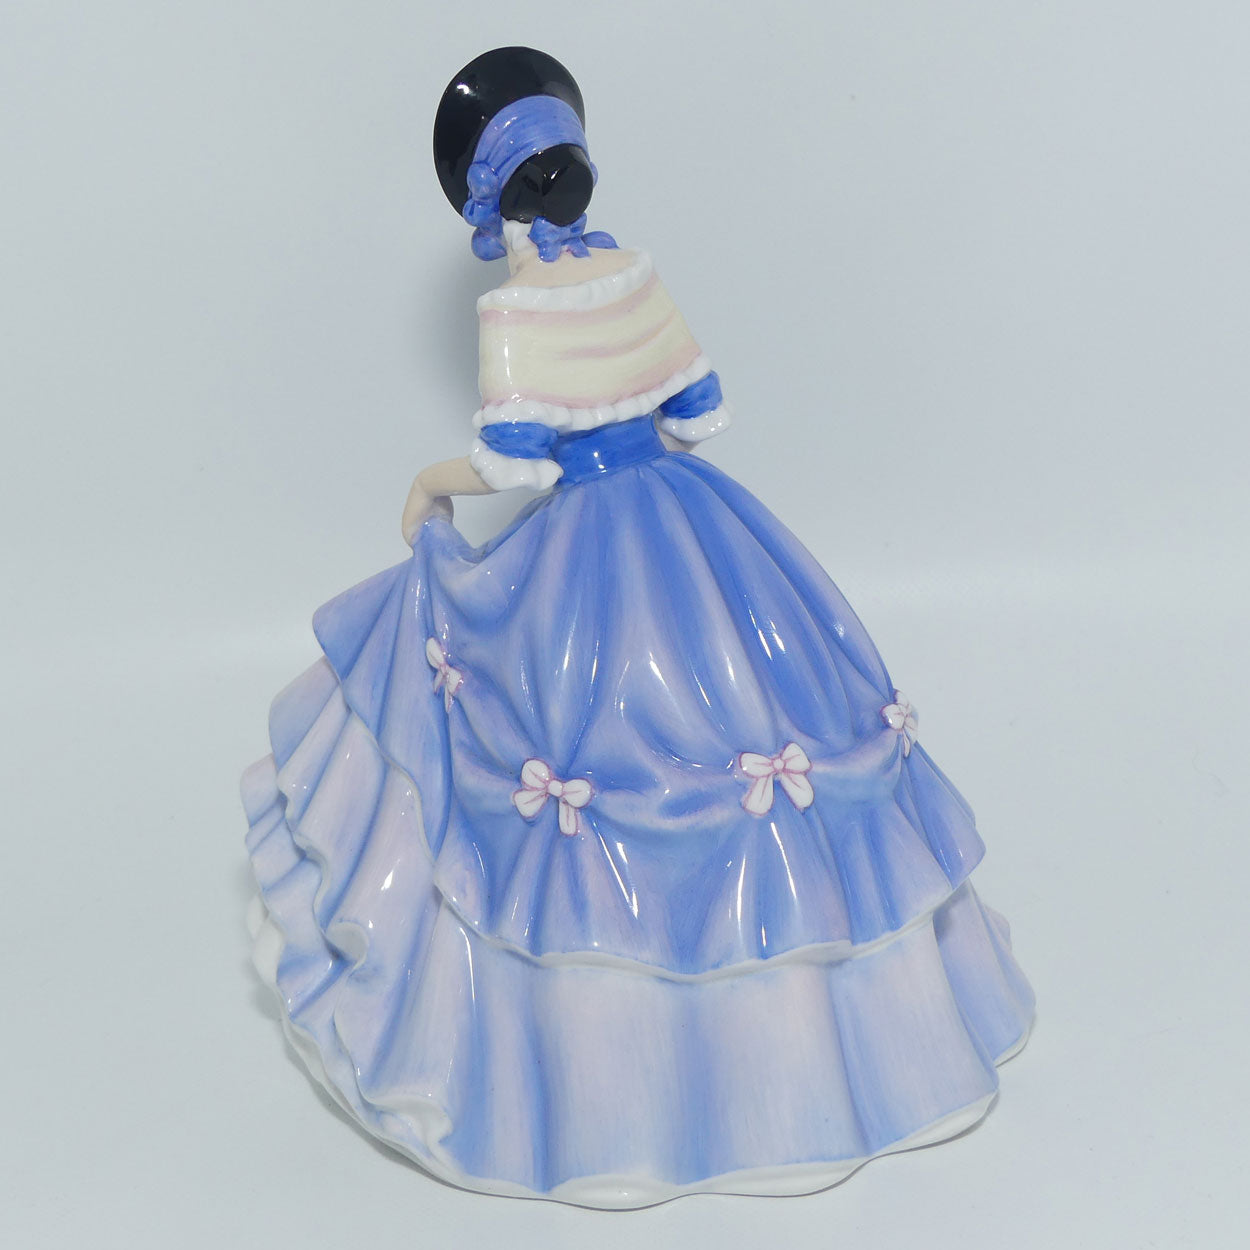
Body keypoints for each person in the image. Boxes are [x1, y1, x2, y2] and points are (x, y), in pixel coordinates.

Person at [242, 46, 1034, 1207]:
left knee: (555, 734)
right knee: (763, 715)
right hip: (693, 524)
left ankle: (605, 1073)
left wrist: (427, 482)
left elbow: (513, 463)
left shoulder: (515, 309)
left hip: (584, 545)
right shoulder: (632, 272)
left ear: (487, 204)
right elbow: (701, 413)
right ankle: (825, 1039)